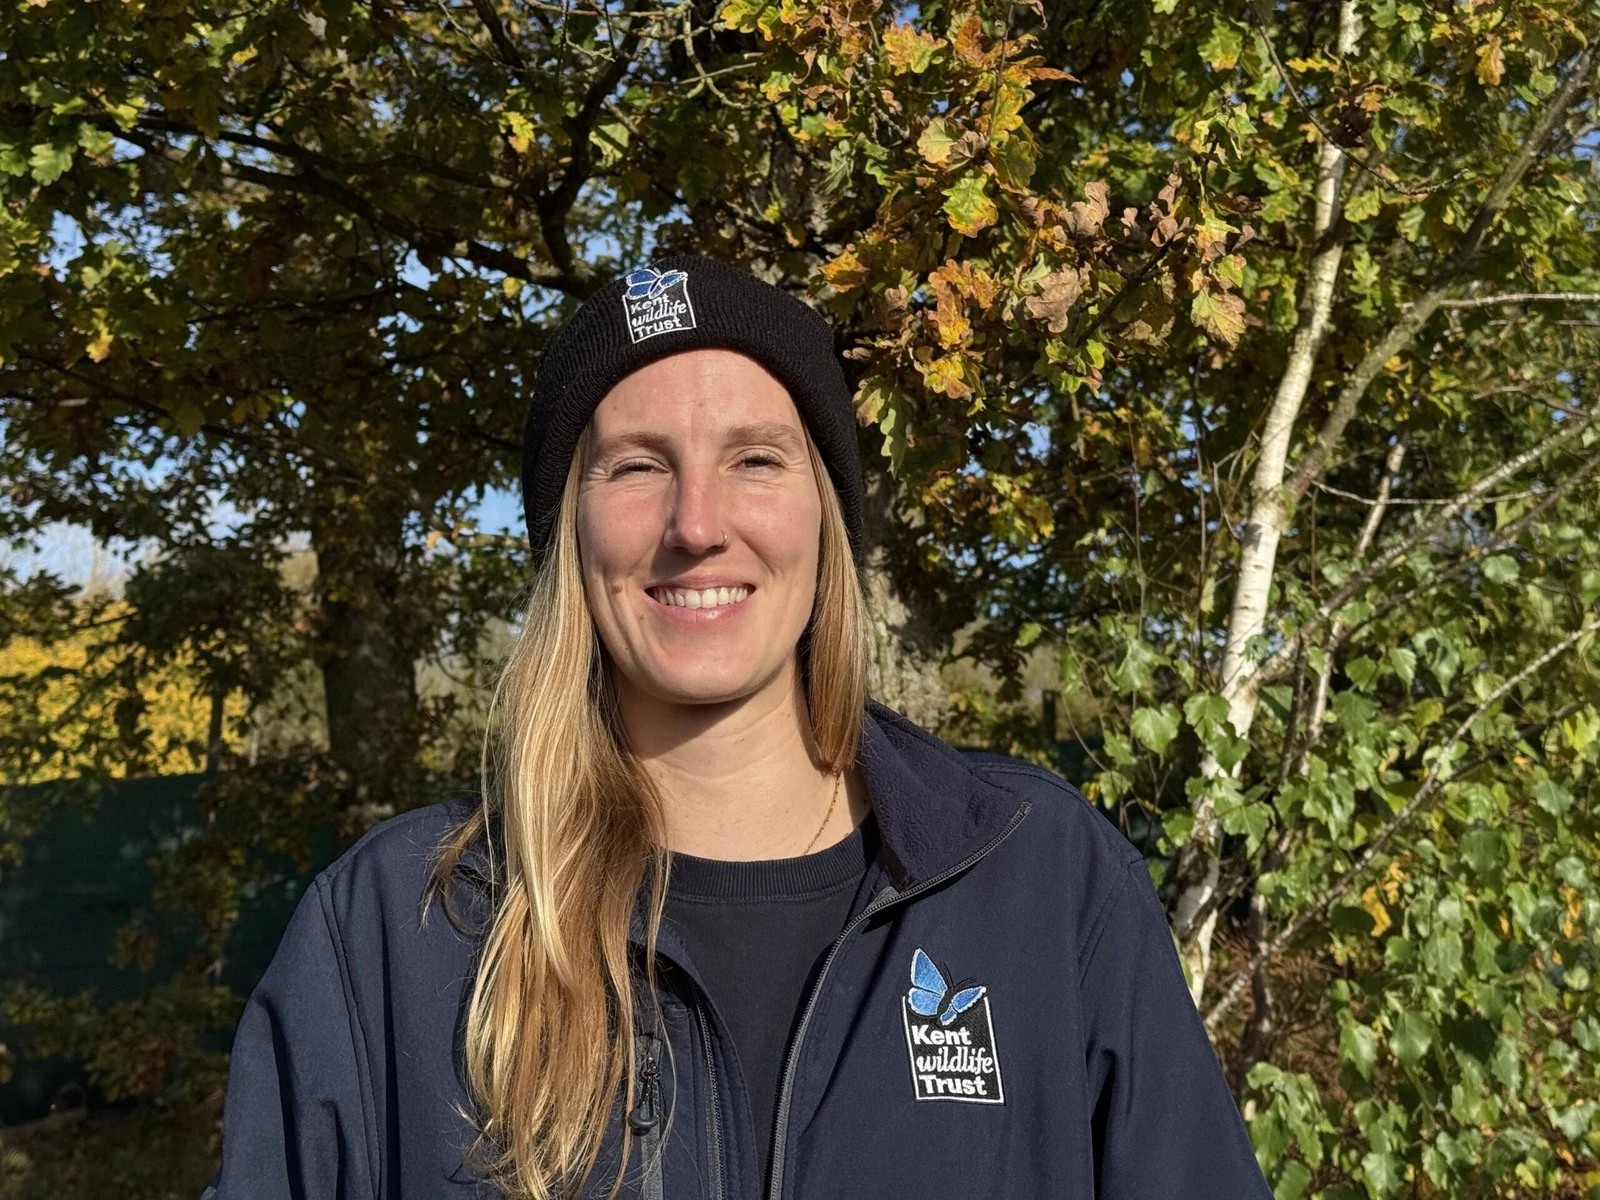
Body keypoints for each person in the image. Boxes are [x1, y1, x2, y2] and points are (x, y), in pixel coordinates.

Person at [199, 254, 1272, 1200]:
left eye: (754, 458)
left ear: (825, 512)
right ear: (569, 529)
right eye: (637, 465)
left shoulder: (1038, 883)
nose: (696, 526)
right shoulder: (399, 931)